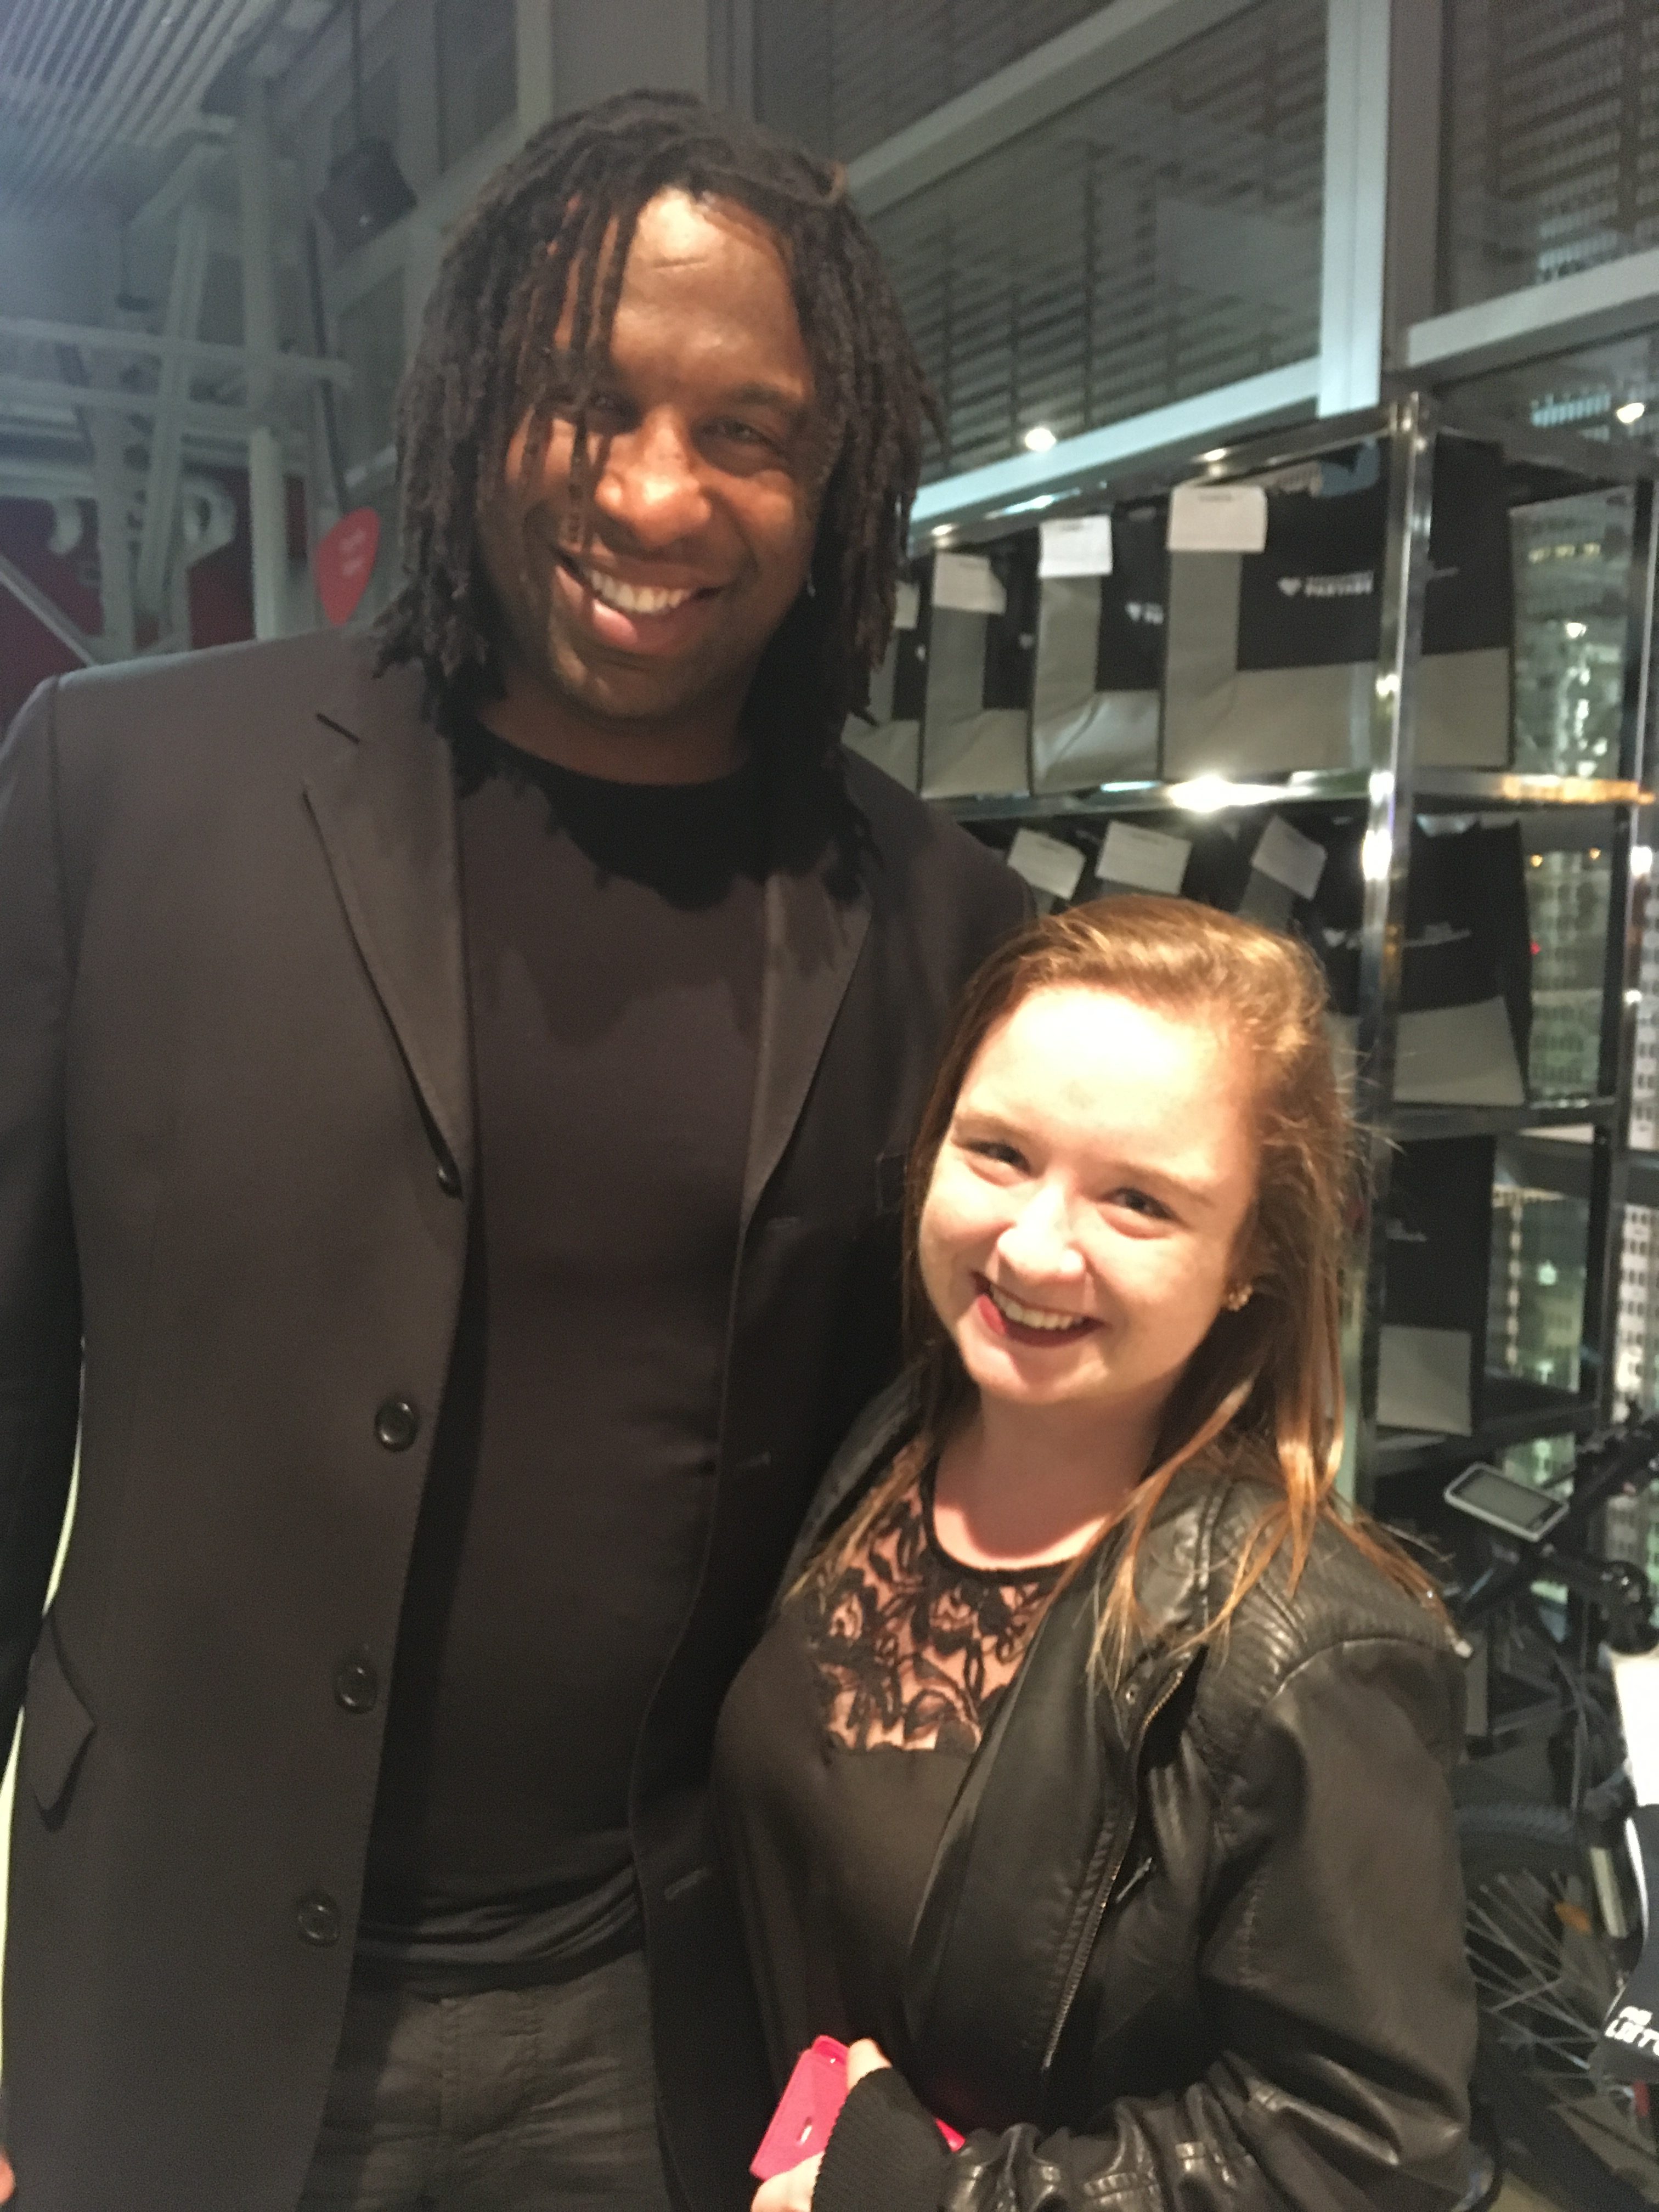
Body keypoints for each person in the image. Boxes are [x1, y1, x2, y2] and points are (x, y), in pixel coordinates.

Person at [0, 91, 1028, 2212]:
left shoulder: (942, 927)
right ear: (473, 404)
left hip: (663, 2027)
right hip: (171, 1970)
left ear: (833, 480)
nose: (655, 489)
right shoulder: (124, 788)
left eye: (747, 432)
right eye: (586, 400)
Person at [715, 895, 1479, 2212]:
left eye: (1138, 1201)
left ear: (1251, 1257)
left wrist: (925, 2194)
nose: (1031, 1246)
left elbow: (1362, 2153)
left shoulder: (1307, 1653)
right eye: (999, 1153)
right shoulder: (898, 1435)